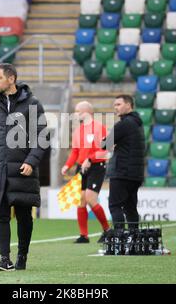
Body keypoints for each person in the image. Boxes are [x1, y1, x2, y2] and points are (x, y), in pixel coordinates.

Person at [0, 63, 47, 271]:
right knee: (0, 214)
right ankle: (5, 259)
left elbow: (42, 137)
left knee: (23, 215)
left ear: (11, 79)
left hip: (23, 168)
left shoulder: (32, 104)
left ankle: (22, 256)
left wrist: (31, 161)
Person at [61, 101, 111, 243]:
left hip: (96, 166)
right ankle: (84, 235)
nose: (75, 114)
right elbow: (75, 152)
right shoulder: (78, 130)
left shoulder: (100, 128)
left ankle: (107, 230)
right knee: (81, 200)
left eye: (77, 111)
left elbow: (106, 151)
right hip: (82, 167)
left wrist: (90, 158)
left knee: (89, 198)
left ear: (86, 112)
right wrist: (67, 165)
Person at [102, 94, 145, 230]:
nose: (116, 108)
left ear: (128, 105)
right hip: (135, 173)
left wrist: (106, 139)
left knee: (115, 206)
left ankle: (119, 239)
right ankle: (133, 239)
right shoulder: (137, 123)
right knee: (130, 208)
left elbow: (105, 144)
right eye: (115, 105)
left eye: (119, 104)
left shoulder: (123, 124)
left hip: (122, 172)